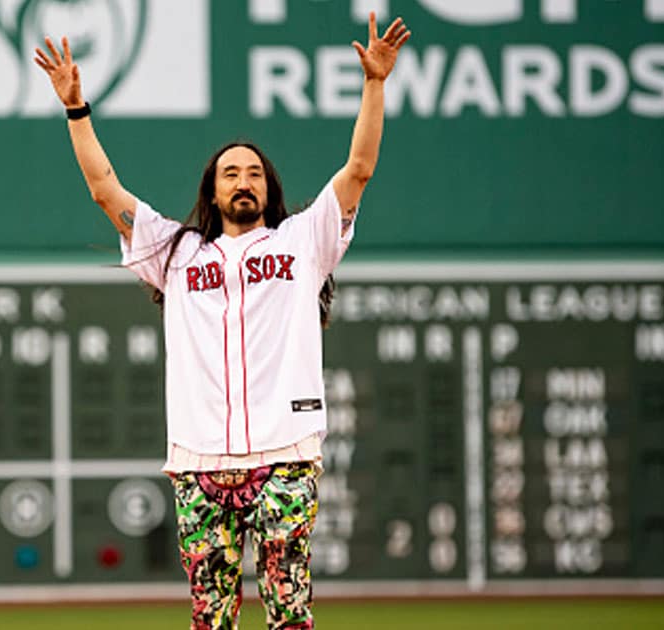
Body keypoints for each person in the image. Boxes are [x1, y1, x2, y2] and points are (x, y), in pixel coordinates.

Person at [35, 12, 410, 629]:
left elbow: (358, 170)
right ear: (211, 191)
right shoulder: (176, 253)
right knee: (210, 618)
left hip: (285, 453)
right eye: (230, 173)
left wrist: (375, 85)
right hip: (199, 458)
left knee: (289, 611)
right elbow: (106, 190)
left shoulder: (301, 243)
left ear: (268, 189)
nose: (243, 180)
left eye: (254, 172)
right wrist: (77, 111)